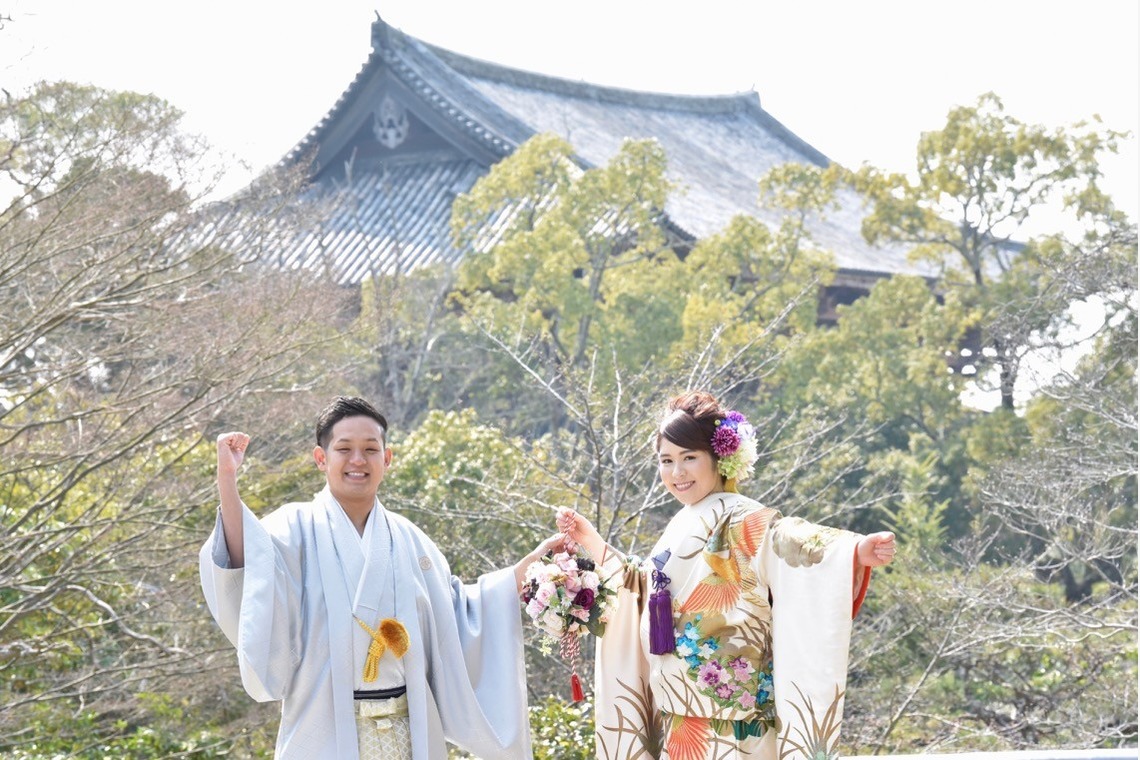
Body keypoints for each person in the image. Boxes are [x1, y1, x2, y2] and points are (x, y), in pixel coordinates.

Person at [199, 395, 561, 760]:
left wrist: (529, 567)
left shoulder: (409, 539)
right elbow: (251, 570)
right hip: (323, 732)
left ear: (387, 459)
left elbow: (456, 613)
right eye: (344, 449)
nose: (358, 460)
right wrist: (227, 480)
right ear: (321, 458)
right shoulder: (293, 527)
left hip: (408, 736)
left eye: (370, 449)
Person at [556, 390, 896, 760]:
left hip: (735, 715)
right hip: (680, 712)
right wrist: (590, 540)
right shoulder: (683, 520)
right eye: (666, 461)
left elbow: (786, 539)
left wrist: (855, 551)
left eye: (689, 458)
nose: (677, 472)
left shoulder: (742, 515)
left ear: (719, 458)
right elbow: (644, 587)